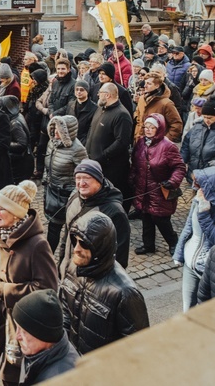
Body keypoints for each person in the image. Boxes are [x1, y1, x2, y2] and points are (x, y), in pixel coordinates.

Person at [0, 180, 59, 384]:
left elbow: (48, 289)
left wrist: (8, 290)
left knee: (19, 376)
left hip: (27, 325)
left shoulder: (37, 245)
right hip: (6, 320)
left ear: (16, 213)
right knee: (7, 371)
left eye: (0, 208)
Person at [60, 213, 149, 354]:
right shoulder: (73, 266)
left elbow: (137, 347)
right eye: (75, 241)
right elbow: (65, 309)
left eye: (84, 243)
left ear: (100, 247)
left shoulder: (125, 294)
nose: (76, 249)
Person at [173, 166, 215, 311]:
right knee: (187, 308)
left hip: (209, 267)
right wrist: (179, 253)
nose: (196, 188)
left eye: (199, 185)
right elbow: (188, 227)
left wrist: (204, 214)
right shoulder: (198, 200)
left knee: (207, 310)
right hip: (190, 263)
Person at [59, 159, 130, 280]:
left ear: (99, 180)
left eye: (87, 178)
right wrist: (61, 265)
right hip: (69, 273)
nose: (81, 183)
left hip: (93, 280)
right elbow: (66, 237)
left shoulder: (115, 212)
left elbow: (119, 259)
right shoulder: (74, 198)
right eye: (78, 178)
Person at [129, 114, 186, 255]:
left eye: (152, 127)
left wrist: (172, 182)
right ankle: (148, 245)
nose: (148, 130)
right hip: (143, 188)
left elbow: (179, 167)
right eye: (146, 127)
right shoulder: (141, 142)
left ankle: (173, 243)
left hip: (160, 188)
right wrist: (132, 179)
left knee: (161, 219)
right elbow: (135, 164)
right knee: (146, 218)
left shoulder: (168, 146)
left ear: (159, 128)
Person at [85, 82, 134, 210]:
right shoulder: (101, 108)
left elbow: (121, 142)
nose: (97, 95)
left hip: (111, 168)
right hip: (96, 163)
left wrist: (103, 156)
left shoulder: (121, 114)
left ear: (107, 95)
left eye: (100, 93)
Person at [13, 290, 79, 385]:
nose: (17, 336)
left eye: (24, 331)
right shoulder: (40, 352)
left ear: (43, 335)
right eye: (17, 327)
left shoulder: (59, 381)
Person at [43, 115, 87, 252]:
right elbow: (47, 165)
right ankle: (48, 259)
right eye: (55, 128)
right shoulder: (52, 143)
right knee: (53, 227)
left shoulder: (77, 149)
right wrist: (46, 180)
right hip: (52, 191)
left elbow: (84, 175)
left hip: (67, 195)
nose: (56, 132)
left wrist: (75, 194)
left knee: (69, 231)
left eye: (60, 130)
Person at [35, 58, 75, 178]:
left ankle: (53, 173)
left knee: (57, 150)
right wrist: (51, 112)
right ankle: (39, 170)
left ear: (68, 70)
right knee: (42, 147)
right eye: (58, 69)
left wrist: (56, 113)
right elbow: (51, 99)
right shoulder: (55, 82)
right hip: (48, 120)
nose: (60, 71)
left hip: (62, 122)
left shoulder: (73, 85)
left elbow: (70, 104)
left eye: (63, 69)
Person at [133, 72, 183, 143]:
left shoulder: (166, 103)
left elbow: (176, 125)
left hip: (157, 145)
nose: (145, 86)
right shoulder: (141, 99)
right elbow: (138, 118)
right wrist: (136, 136)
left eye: (149, 84)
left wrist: (165, 141)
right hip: (140, 142)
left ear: (157, 86)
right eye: (145, 83)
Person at [0, 95, 34, 184]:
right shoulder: (17, 116)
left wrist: (4, 144)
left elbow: (22, 144)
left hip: (21, 163)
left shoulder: (15, 123)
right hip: (22, 160)